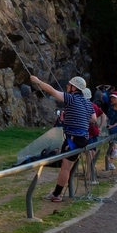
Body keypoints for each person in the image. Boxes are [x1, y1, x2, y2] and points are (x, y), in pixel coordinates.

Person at [29, 75, 93, 203]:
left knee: (66, 167)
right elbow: (93, 119)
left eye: (69, 85)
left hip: (73, 139)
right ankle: (58, 192)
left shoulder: (71, 98)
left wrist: (38, 81)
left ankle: (57, 194)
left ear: (74, 88)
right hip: (83, 138)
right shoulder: (87, 102)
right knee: (67, 166)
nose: (67, 87)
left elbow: (52, 91)